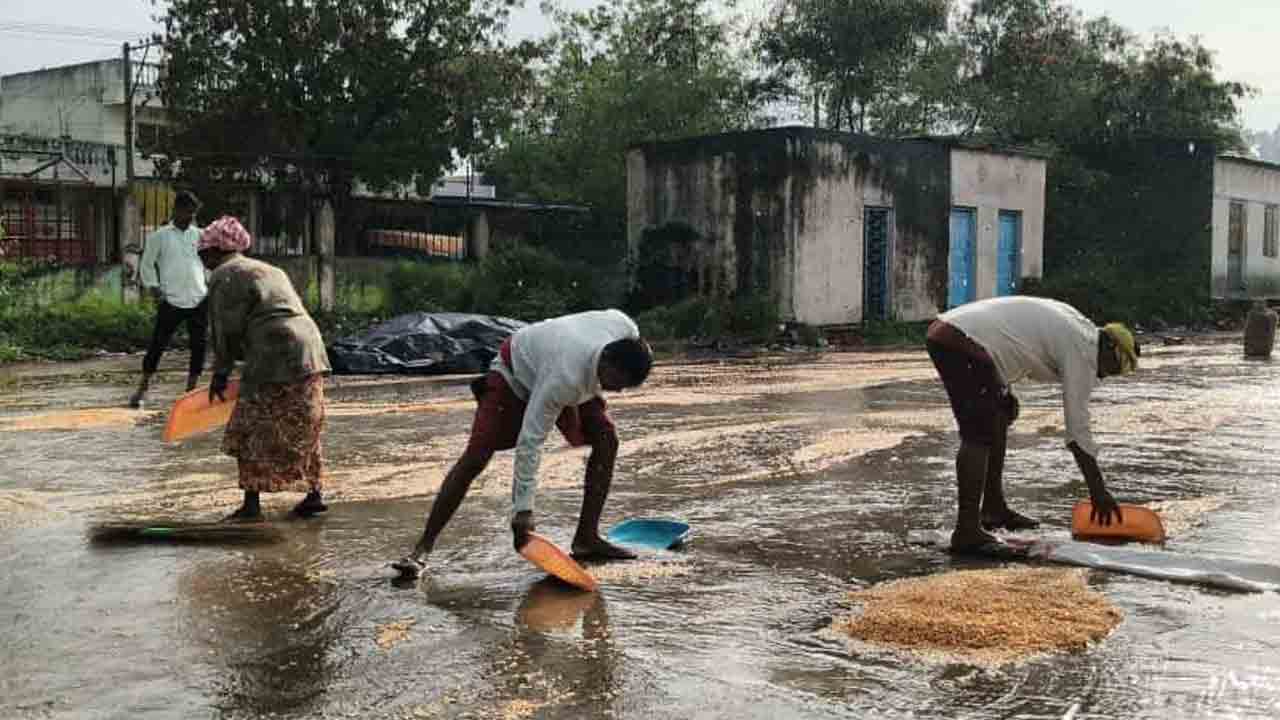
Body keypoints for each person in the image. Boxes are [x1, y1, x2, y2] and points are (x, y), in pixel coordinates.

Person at [393, 309, 655, 578]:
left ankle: (586, 538)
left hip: (558, 359)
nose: (619, 391)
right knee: (476, 456)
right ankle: (422, 549)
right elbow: (530, 442)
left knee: (607, 440)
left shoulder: (624, 325)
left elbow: (629, 347)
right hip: (514, 373)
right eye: (618, 382)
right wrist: (523, 510)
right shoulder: (563, 379)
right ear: (607, 361)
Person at [926, 296, 1139, 554]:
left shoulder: (1079, 326)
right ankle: (966, 532)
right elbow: (1077, 431)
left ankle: (993, 509)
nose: (1110, 375)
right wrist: (1098, 492)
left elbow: (1014, 338)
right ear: (1110, 348)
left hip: (957, 332)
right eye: (1120, 365)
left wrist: (1003, 389)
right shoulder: (1084, 351)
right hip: (962, 341)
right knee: (978, 433)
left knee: (1000, 413)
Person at [197, 216, 332, 521]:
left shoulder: (225, 274)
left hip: (275, 354)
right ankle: (314, 494)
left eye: (202, 253)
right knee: (304, 423)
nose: (202, 260)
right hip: (309, 350)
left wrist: (220, 374)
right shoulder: (267, 268)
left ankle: (251, 505)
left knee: (250, 426)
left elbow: (225, 331)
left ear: (214, 250)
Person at [130, 191, 208, 408]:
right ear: (176, 210)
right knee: (158, 344)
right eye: (187, 211)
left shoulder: (200, 236)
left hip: (199, 296)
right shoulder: (159, 236)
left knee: (199, 345)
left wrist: (209, 284)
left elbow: (207, 263)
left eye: (194, 212)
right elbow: (147, 264)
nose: (191, 216)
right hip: (171, 298)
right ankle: (142, 388)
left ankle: (190, 392)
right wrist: (154, 287)